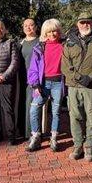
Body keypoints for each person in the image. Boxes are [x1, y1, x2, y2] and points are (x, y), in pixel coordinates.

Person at [61, 11, 92, 162]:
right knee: (75, 116)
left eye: (88, 22)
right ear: (77, 24)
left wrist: (91, 78)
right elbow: (65, 63)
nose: (85, 25)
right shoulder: (69, 40)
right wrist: (77, 77)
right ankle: (77, 145)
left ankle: (89, 147)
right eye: (82, 22)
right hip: (74, 85)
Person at [25, 18, 65, 153]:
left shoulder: (64, 46)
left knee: (56, 112)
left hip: (58, 83)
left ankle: (54, 137)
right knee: (33, 109)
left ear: (59, 32)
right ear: (45, 33)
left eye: (55, 31)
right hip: (43, 84)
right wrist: (35, 84)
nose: (52, 34)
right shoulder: (40, 48)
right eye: (49, 32)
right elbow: (33, 68)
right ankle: (35, 136)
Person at [18, 18, 39, 138]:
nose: (28, 27)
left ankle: (34, 133)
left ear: (35, 27)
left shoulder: (40, 41)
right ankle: (24, 132)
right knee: (24, 105)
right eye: (25, 25)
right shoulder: (20, 43)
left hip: (35, 81)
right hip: (22, 80)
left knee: (34, 106)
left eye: (31, 25)